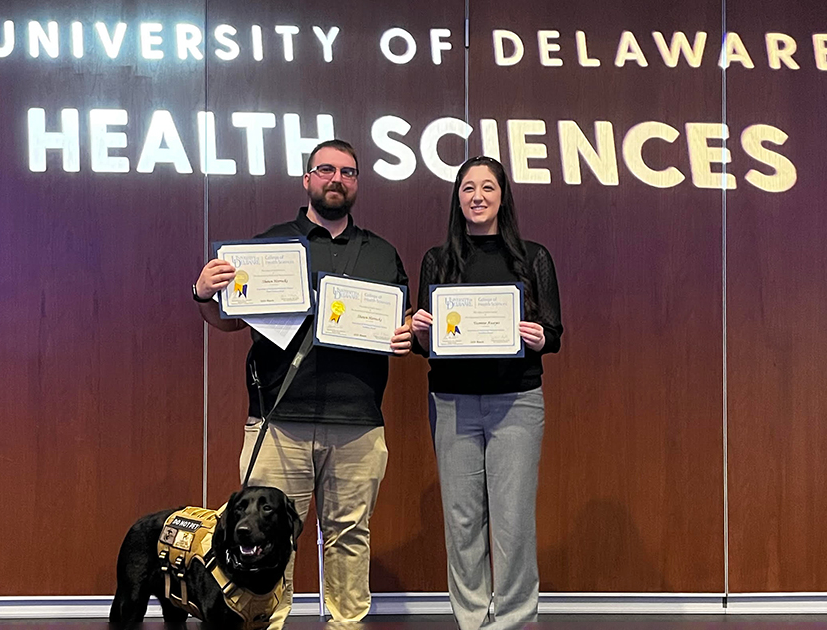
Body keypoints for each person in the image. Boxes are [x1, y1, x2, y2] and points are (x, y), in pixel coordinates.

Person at [193, 139, 413, 627]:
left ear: (357, 183)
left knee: (350, 536)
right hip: (278, 420)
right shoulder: (267, 246)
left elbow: (400, 322)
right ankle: (268, 623)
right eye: (326, 170)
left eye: (349, 173)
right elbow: (230, 321)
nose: (337, 179)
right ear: (307, 178)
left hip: (357, 421)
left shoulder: (382, 253)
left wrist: (405, 334)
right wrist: (204, 293)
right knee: (261, 535)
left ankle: (347, 624)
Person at [410, 155, 563, 630]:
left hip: (516, 401)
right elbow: (424, 343)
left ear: (502, 197)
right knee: (461, 522)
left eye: (488, 188)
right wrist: (418, 331)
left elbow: (554, 332)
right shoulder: (437, 260)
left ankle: (515, 620)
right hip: (452, 402)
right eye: (468, 188)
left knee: (513, 520)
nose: (477, 196)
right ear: (457, 198)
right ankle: (472, 620)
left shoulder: (533, 257)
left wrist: (540, 336)